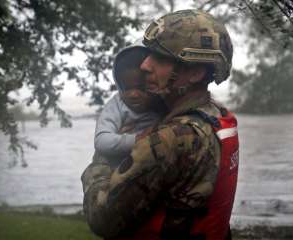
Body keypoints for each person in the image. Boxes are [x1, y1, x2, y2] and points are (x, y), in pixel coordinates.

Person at [82, 9, 239, 240]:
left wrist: (102, 158)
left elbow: (101, 219)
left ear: (195, 72)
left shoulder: (169, 139)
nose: (144, 65)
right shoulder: (218, 117)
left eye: (160, 58)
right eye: (148, 55)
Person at [94, 45, 161, 168]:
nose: (133, 94)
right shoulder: (117, 105)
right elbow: (101, 141)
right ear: (119, 87)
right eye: (126, 88)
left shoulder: (163, 102)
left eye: (141, 88)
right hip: (121, 173)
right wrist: (137, 140)